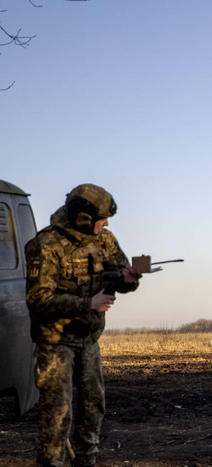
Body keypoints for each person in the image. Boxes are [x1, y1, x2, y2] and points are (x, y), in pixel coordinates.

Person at [26, 184, 142, 467]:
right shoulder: (46, 244)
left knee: (93, 409)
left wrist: (129, 281)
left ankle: (86, 462)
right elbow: (37, 300)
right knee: (57, 414)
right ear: (83, 217)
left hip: (88, 340)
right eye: (101, 218)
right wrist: (85, 304)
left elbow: (120, 275)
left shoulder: (106, 240)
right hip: (56, 343)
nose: (106, 223)